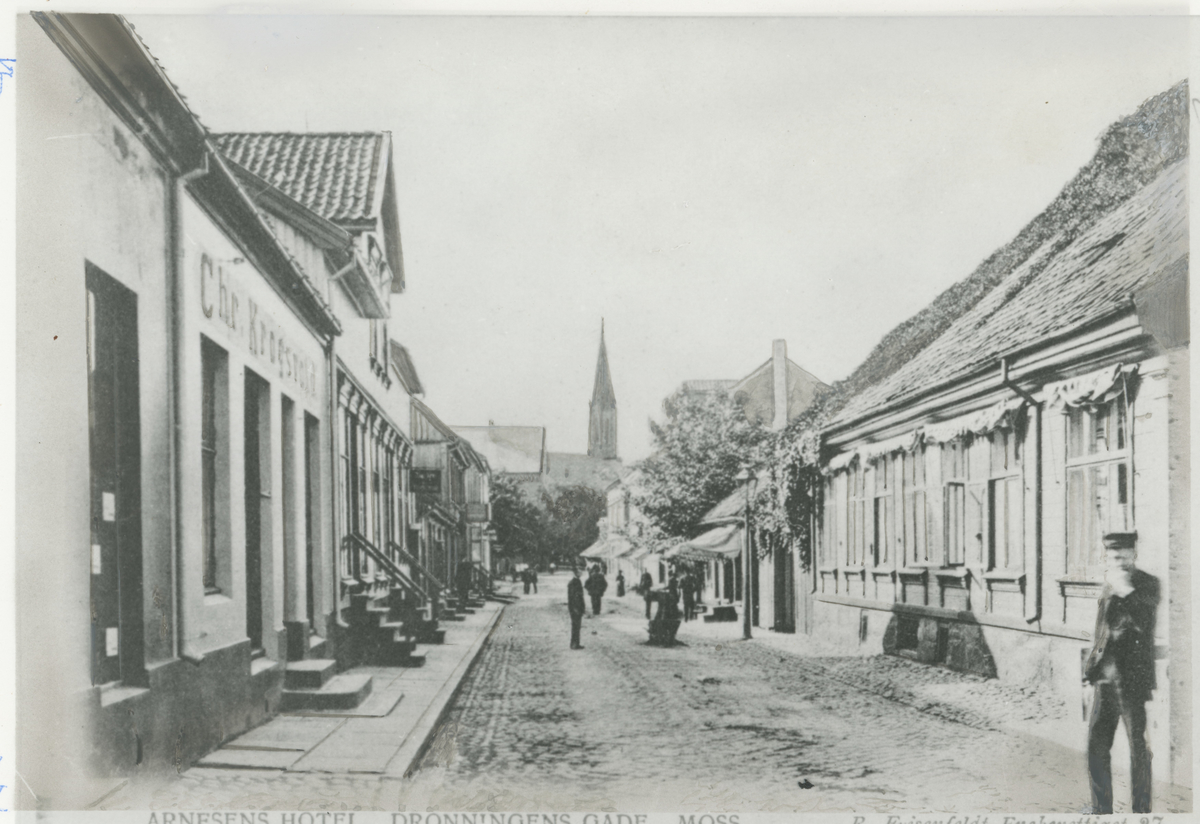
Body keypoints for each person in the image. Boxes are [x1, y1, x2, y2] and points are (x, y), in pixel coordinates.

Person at [1083, 532, 1159, 815]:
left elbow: (1141, 625)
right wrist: (1090, 671)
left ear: (1134, 554)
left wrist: (1124, 589)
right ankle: (1101, 809)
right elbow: (1101, 633)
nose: (1119, 560)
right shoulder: (1109, 585)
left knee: (1138, 748)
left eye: (1124, 555)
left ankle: (1141, 811)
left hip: (1132, 679)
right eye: (1114, 556)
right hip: (1105, 678)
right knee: (1096, 746)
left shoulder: (1148, 584)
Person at [567, 566, 585, 650]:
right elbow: (574, 597)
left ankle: (576, 643)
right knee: (575, 626)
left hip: (577, 608)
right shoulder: (574, 582)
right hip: (575, 608)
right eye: (580, 572)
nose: (581, 573)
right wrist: (576, 608)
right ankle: (574, 644)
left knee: (577, 626)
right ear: (576, 573)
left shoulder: (576, 581)